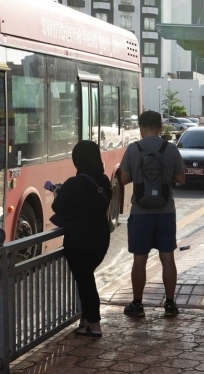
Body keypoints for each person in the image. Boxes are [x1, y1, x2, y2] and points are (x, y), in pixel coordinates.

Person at [120, 110, 186, 319]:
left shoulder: (133, 149)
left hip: (141, 213)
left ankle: (138, 305)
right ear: (160, 127)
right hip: (166, 212)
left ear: (141, 128)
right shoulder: (170, 149)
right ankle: (170, 304)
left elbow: (123, 179)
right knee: (167, 258)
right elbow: (181, 178)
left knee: (139, 259)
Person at [50, 141, 113, 338]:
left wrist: (57, 193)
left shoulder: (73, 183)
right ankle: (85, 322)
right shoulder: (104, 181)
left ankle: (94, 325)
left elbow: (58, 207)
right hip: (101, 239)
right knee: (86, 279)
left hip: (78, 241)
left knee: (85, 283)